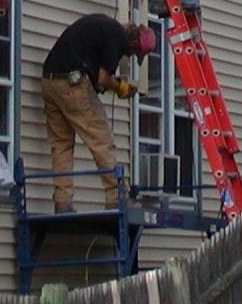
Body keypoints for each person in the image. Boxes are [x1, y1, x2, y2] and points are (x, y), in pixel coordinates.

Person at [41, 13, 156, 212]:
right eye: (134, 52)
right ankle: (116, 198)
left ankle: (63, 202)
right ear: (134, 41)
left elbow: (92, 70)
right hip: (72, 84)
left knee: (61, 145)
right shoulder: (118, 37)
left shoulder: (102, 27)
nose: (130, 56)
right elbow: (103, 78)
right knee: (102, 141)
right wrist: (120, 87)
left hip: (49, 82)